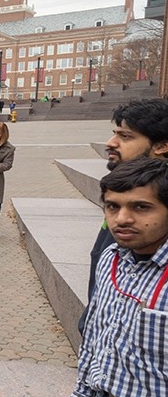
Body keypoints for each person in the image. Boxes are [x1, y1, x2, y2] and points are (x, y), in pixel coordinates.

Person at [58, 157, 168, 397]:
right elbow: (97, 334)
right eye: (112, 206)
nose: (122, 218)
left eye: (141, 207)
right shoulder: (111, 257)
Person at [81, 99, 168, 321]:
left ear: (161, 146)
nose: (111, 143)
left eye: (125, 136)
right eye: (113, 207)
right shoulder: (122, 190)